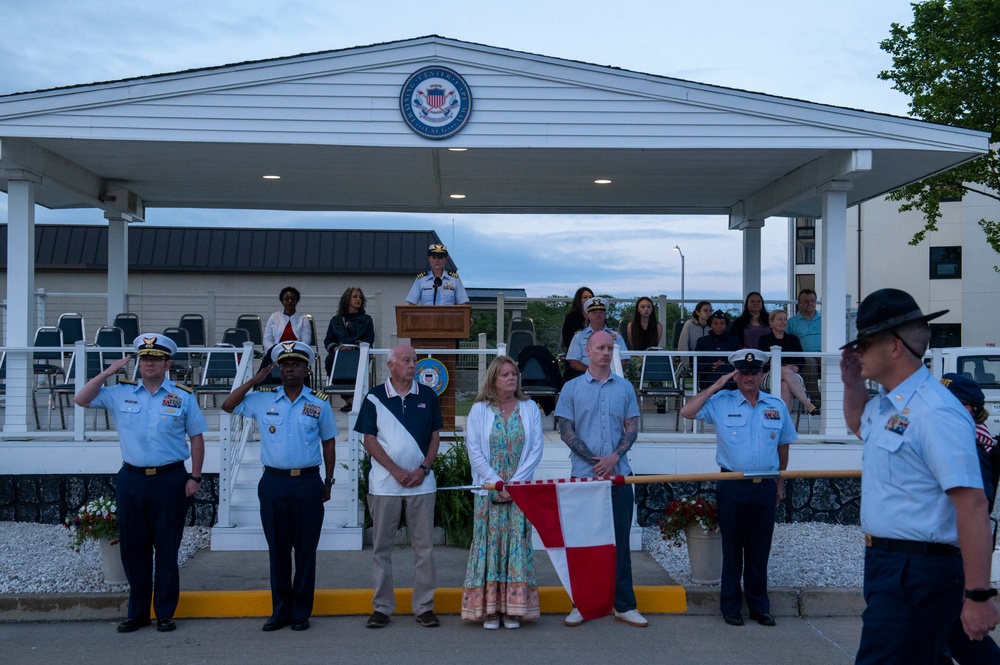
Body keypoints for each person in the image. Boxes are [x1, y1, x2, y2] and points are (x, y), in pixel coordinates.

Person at [840, 288, 999, 663]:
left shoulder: (935, 412)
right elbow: (858, 425)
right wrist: (851, 384)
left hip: (918, 571)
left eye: (864, 343)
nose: (856, 352)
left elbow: (973, 504)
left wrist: (979, 595)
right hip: (889, 566)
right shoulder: (888, 404)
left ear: (895, 347)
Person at [74, 334, 207, 634]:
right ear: (139, 363)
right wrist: (108, 373)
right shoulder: (120, 393)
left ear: (167, 363)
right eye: (145, 358)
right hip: (132, 479)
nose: (149, 363)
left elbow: (196, 437)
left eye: (156, 358)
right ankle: (137, 613)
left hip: (171, 479)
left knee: (167, 548)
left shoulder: (183, 396)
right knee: (134, 549)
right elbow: (81, 399)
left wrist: (195, 477)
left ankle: (164, 613)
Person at [221, 341, 337, 633]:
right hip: (273, 483)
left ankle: (301, 614)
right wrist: (254, 380)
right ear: (279, 370)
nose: (290, 369)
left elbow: (329, 442)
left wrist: (329, 479)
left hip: (308, 482)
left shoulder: (319, 403)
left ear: (306, 369)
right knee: (278, 551)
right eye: (285, 365)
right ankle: (280, 612)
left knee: (306, 551)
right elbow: (228, 405)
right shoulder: (262, 399)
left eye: (296, 364)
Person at [680, 349, 796, 628]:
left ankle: (759, 607)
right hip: (732, 485)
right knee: (732, 550)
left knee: (759, 550)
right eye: (744, 373)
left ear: (761, 375)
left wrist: (780, 481)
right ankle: (731, 607)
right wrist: (717, 385)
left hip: (765, 484)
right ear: (736, 375)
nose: (749, 378)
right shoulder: (721, 401)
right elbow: (687, 411)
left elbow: (783, 445)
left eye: (754, 373)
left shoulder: (776, 405)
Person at [554, 330, 647, 628]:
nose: (606, 353)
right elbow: (566, 430)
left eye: (610, 348)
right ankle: (581, 603)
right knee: (583, 544)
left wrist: (613, 459)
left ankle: (624, 605)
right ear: (588, 351)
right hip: (585, 478)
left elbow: (631, 428)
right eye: (600, 348)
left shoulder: (625, 388)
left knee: (621, 543)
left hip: (619, 476)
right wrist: (595, 461)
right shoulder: (570, 388)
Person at [354, 344, 443, 629]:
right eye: (406, 360)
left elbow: (435, 437)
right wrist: (394, 470)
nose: (412, 365)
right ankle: (382, 608)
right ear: (390, 365)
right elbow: (369, 440)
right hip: (384, 486)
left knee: (424, 549)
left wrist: (423, 469)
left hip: (422, 485)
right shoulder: (374, 397)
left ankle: (424, 607)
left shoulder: (428, 396)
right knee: (382, 549)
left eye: (414, 360)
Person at [461, 356, 544, 629]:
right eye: (505, 374)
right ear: (493, 379)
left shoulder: (529, 408)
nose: (512, 378)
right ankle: (490, 610)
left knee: (516, 546)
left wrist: (514, 485)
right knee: (489, 546)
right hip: (488, 492)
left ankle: (513, 610)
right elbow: (474, 451)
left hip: (520, 493)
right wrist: (497, 483)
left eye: (514, 374)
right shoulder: (479, 410)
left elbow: (535, 450)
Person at [939, 373, 1000, 664]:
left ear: (969, 410)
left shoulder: (973, 445)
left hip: (955, 553)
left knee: (962, 637)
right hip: (945, 554)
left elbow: (979, 504)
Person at [757, 309, 819, 416]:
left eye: (785, 319)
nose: (783, 322)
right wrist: (782, 368)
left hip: (793, 376)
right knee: (782, 369)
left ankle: (784, 423)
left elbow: (801, 360)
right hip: (769, 375)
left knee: (785, 386)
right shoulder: (764, 339)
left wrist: (796, 367)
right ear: (771, 322)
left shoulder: (793, 339)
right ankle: (807, 403)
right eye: (779, 319)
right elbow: (761, 360)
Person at [323, 286, 376, 411]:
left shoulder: (366, 319)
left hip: (357, 353)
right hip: (339, 355)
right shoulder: (335, 320)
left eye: (360, 297)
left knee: (353, 361)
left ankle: (353, 399)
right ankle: (348, 399)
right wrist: (335, 348)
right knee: (330, 360)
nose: (358, 299)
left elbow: (369, 339)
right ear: (347, 299)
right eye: (355, 297)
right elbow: (328, 340)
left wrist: (353, 348)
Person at [565, 297, 629, 380]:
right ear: (588, 315)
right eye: (594, 312)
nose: (598, 314)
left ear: (605, 315)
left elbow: (623, 360)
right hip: (584, 375)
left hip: (611, 376)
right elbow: (574, 362)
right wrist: (593, 372)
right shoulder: (579, 336)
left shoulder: (616, 336)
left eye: (601, 312)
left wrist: (606, 373)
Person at [786, 289, 822, 409]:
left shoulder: (825, 319)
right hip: (804, 358)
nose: (810, 303)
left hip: (824, 355)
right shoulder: (791, 322)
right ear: (799, 304)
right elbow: (786, 342)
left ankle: (838, 401)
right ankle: (815, 402)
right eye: (806, 301)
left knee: (838, 362)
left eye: (812, 301)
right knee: (809, 362)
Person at [694, 310, 741, 390]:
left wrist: (725, 365)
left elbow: (739, 362)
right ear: (710, 325)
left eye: (722, 323)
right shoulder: (702, 341)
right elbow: (696, 364)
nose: (719, 326)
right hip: (708, 379)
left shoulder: (735, 341)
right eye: (715, 323)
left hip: (730, 381)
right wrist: (712, 365)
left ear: (726, 325)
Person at [262, 286, 313, 351]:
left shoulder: (303, 319)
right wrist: (274, 351)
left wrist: (294, 351)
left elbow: (306, 340)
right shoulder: (274, 317)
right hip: (277, 352)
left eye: (293, 298)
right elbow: (267, 339)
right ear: (282, 301)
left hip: (298, 352)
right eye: (286, 299)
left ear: (297, 301)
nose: (290, 301)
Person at [677, 300, 713, 371]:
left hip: (710, 358)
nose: (709, 313)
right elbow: (683, 345)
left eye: (711, 311)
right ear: (697, 312)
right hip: (694, 357)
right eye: (705, 310)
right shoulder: (689, 324)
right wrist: (686, 364)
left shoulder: (713, 325)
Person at [562, 286, 594, 353]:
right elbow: (567, 340)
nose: (588, 299)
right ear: (579, 300)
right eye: (585, 297)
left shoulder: (598, 315)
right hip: (576, 353)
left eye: (590, 297)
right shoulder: (571, 317)